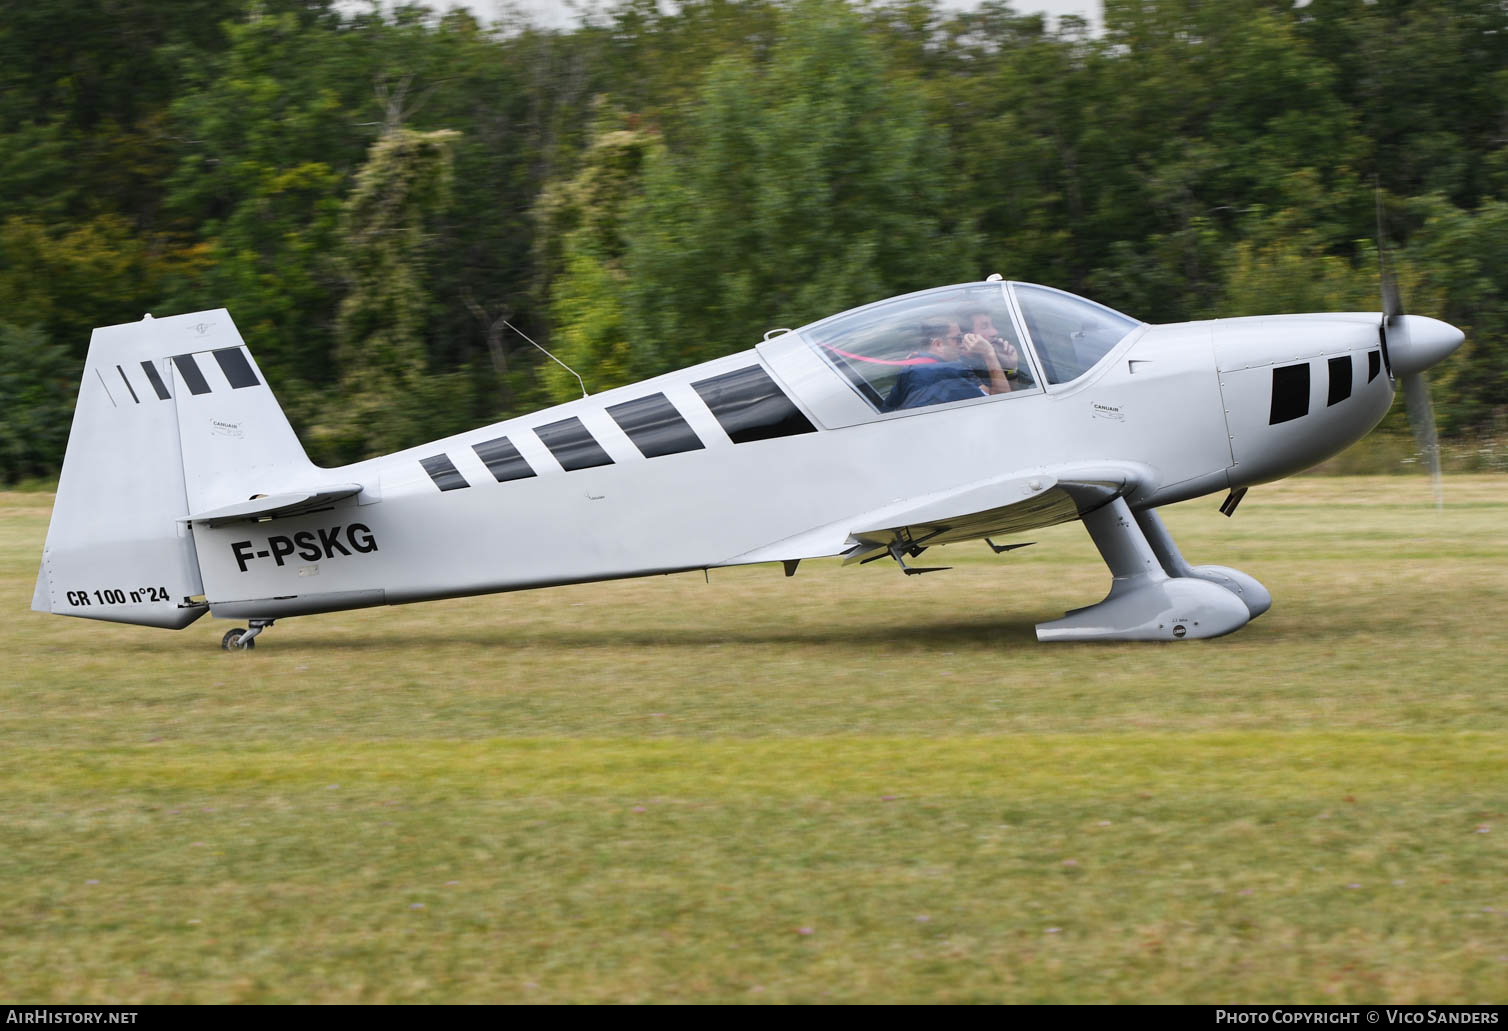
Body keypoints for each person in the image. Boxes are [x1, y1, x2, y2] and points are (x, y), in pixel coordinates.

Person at [882, 317, 1011, 411]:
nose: (962, 344)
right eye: (957, 339)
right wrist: (989, 354)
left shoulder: (912, 368)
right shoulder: (945, 373)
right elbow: (1002, 404)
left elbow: (887, 408)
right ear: (938, 344)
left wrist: (1010, 367)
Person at [964, 310, 1031, 387]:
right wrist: (989, 354)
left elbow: (1014, 393)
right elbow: (1003, 395)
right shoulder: (962, 370)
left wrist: (1010, 367)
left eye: (993, 326)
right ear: (967, 336)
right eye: (984, 327)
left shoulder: (997, 359)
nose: (995, 332)